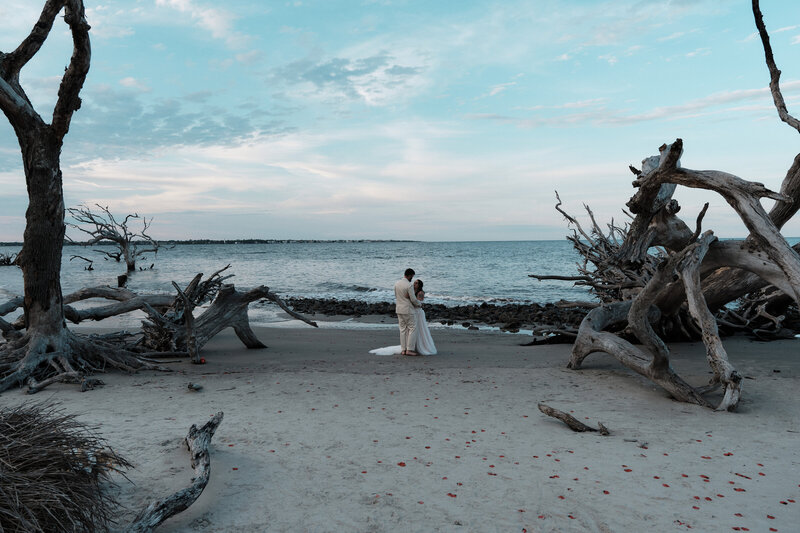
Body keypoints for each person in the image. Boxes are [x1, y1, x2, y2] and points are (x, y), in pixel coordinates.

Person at [370, 273, 437, 356]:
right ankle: (410, 346)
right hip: (411, 311)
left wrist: (410, 298)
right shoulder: (411, 291)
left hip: (418, 312)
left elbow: (419, 302)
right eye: (414, 282)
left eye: (416, 283)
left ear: (419, 285)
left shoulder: (420, 292)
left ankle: (418, 346)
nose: (414, 284)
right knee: (411, 329)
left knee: (419, 329)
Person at [394, 268, 422, 355]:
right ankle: (409, 349)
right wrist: (419, 304)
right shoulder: (409, 285)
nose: (412, 279)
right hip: (408, 309)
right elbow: (413, 299)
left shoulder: (397, 284)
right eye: (412, 277)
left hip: (399, 309)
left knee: (402, 329)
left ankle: (403, 349)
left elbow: (396, 296)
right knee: (413, 328)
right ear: (409, 275)